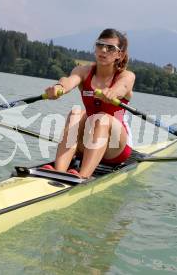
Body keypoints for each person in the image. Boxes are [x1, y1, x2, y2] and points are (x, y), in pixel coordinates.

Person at [44, 28, 135, 178]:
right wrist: (59, 87)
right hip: (89, 141)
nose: (103, 50)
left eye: (111, 48)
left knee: (101, 118)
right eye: (100, 45)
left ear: (119, 54)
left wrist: (112, 93)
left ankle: (82, 176)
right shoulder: (83, 71)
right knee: (75, 113)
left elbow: (123, 86)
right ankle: (59, 171)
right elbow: (68, 81)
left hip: (116, 147)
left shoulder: (126, 76)